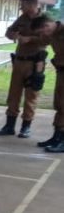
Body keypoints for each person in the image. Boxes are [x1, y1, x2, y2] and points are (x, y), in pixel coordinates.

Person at [0, 0, 53, 138]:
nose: (21, 8)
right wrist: (15, 35)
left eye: (23, 5)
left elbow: (48, 40)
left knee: (31, 95)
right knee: (13, 94)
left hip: (35, 62)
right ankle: (9, 125)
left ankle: (26, 126)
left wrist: (30, 39)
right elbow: (9, 31)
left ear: (32, 5)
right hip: (19, 61)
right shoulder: (22, 18)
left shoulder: (45, 19)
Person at [35, 19, 64, 152]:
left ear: (46, 26)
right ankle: (57, 136)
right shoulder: (53, 33)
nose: (42, 35)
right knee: (59, 104)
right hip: (61, 71)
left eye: (41, 32)